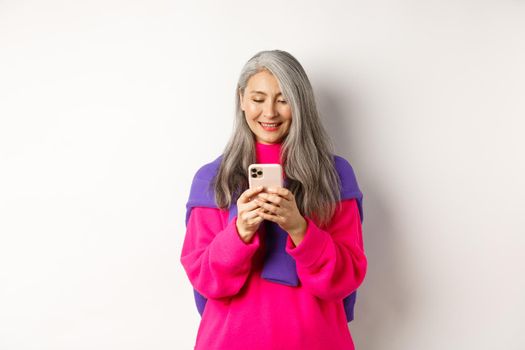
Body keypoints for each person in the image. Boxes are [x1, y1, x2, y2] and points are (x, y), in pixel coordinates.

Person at [180, 49, 367, 350]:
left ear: (301, 103)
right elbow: (204, 281)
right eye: (258, 99)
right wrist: (239, 232)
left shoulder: (335, 175)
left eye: (283, 99)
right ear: (241, 99)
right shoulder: (211, 179)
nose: (269, 112)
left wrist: (299, 229)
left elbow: (347, 278)